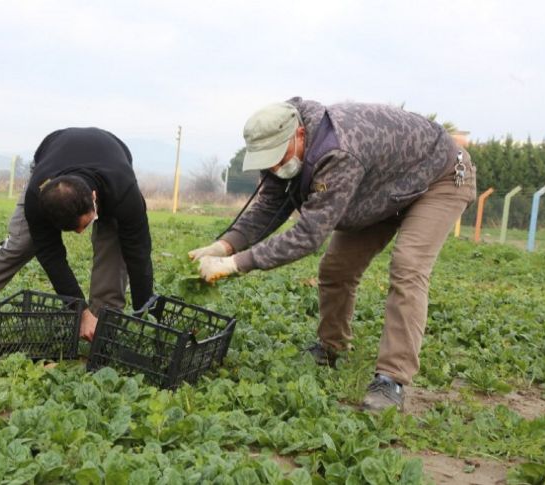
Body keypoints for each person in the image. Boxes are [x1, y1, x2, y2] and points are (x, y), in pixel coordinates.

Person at [189, 98, 476, 411]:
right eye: (266, 160)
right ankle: (331, 348)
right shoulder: (280, 145)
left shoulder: (338, 150)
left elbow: (308, 235)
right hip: (381, 188)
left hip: (439, 177)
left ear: (299, 135)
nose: (273, 166)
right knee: (336, 267)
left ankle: (392, 379)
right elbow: (269, 206)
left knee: (408, 268)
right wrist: (224, 245)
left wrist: (234, 264)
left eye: (277, 157)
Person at [0, 127, 154, 342]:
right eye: (72, 229)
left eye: (86, 223)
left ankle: (103, 322)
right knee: (23, 241)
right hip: (50, 161)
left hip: (112, 163)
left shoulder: (124, 193)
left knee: (114, 245)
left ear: (94, 197)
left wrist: (146, 314)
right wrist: (80, 311)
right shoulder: (37, 198)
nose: (81, 233)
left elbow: (139, 253)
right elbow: (51, 256)